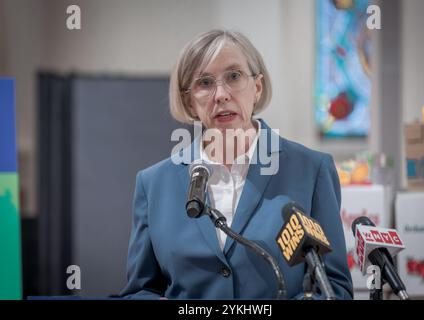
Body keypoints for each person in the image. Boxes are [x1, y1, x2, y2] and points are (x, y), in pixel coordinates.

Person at [120, 29, 353, 299]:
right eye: (204, 83)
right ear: (189, 101)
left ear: (257, 87)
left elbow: (334, 288)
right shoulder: (154, 184)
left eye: (233, 76)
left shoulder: (312, 170)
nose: (221, 94)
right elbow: (140, 291)